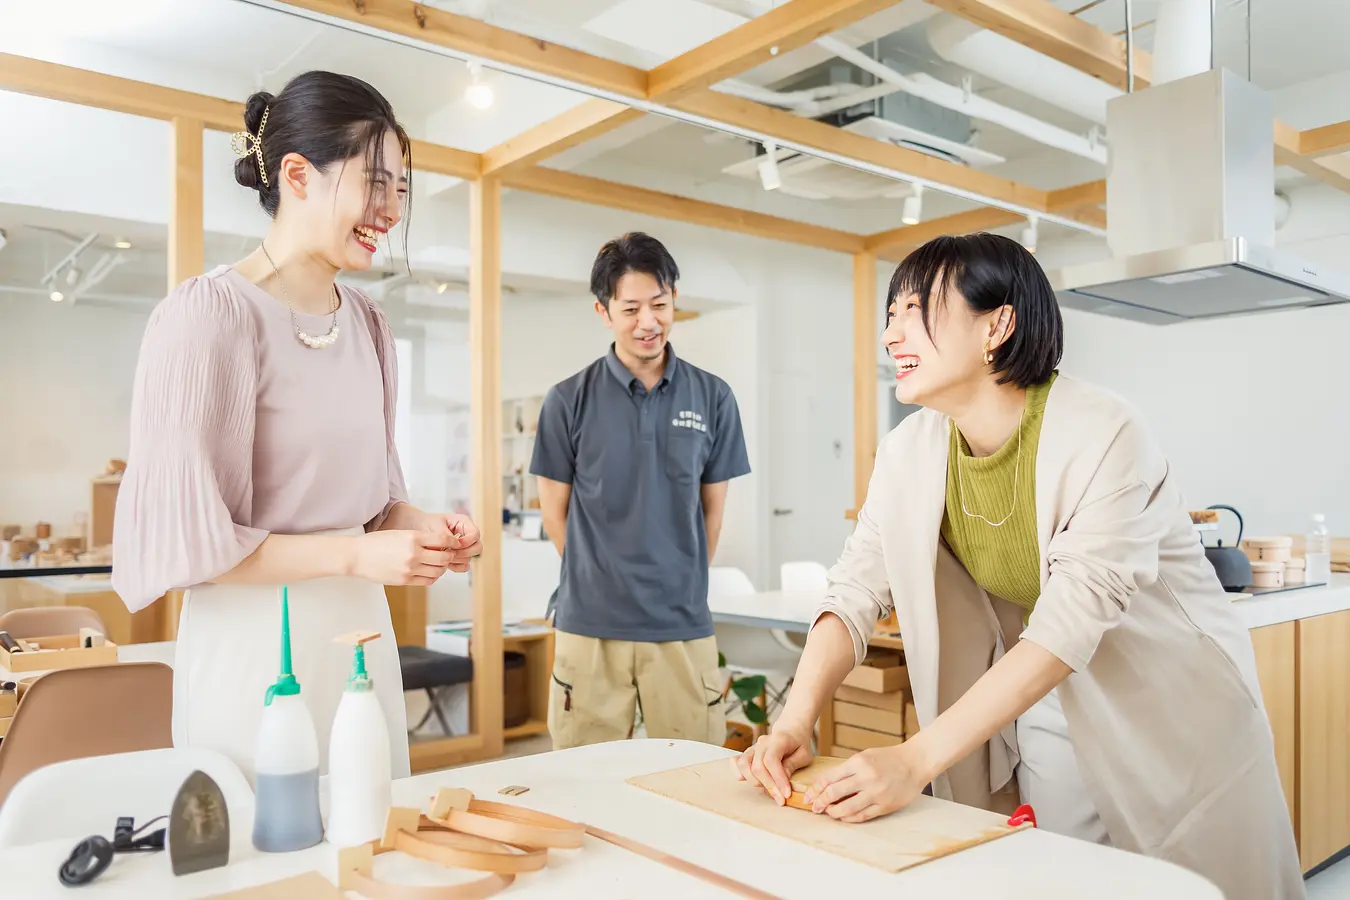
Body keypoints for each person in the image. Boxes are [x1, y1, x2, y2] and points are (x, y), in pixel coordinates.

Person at [735, 234, 1303, 900]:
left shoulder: (1105, 431)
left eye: (915, 308)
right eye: (890, 314)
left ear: (997, 324)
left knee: (1199, 883)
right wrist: (795, 721)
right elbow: (857, 584)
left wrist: (914, 759)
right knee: (1068, 879)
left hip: (1169, 703)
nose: (891, 333)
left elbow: (1071, 620)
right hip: (1044, 691)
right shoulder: (910, 450)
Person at [112, 71, 482, 783]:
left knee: (371, 850)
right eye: (375, 183)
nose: (390, 210)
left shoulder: (370, 326)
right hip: (252, 651)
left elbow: (376, 507)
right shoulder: (208, 317)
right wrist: (351, 559)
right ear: (297, 175)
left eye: (400, 189)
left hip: (358, 639)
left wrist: (423, 526)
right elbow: (196, 544)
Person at [530, 232, 751, 750]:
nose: (648, 322)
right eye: (631, 308)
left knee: (694, 776)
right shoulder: (567, 400)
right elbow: (554, 514)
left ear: (675, 300)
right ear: (603, 312)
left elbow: (711, 513)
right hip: (589, 625)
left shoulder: (714, 397)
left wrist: (679, 579)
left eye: (659, 304)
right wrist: (600, 580)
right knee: (583, 780)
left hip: (681, 624)